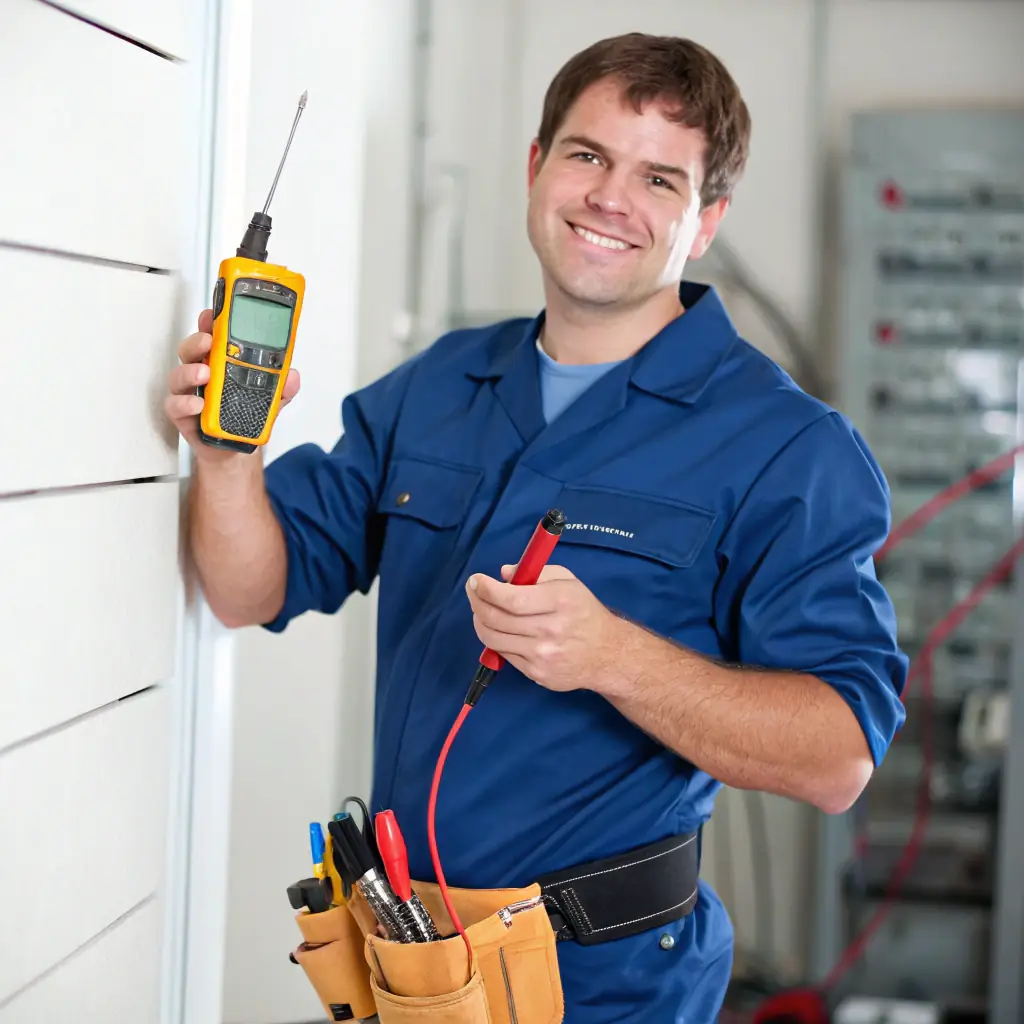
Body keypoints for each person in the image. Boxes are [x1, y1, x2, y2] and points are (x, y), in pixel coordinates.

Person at [165, 32, 907, 1024]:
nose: (610, 198)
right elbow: (246, 585)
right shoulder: (436, 386)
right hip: (410, 968)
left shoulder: (785, 446)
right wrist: (225, 452)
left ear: (706, 220)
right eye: (588, 155)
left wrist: (612, 656)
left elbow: (838, 756)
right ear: (536, 165)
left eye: (659, 178)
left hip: (607, 985)